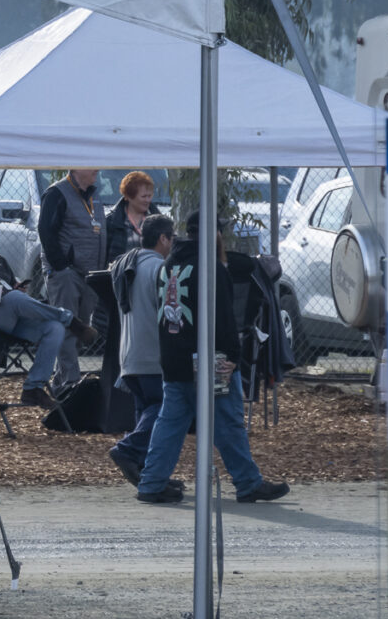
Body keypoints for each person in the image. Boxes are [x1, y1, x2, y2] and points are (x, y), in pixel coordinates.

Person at [133, 212, 291, 505]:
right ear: (214, 235)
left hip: (173, 357)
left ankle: (151, 483)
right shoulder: (211, 268)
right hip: (209, 358)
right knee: (228, 420)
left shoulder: (169, 265)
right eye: (220, 232)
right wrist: (233, 354)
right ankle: (248, 483)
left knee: (170, 422)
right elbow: (223, 317)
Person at [106, 211, 179, 496]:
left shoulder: (127, 263)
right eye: (171, 238)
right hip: (152, 354)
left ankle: (149, 472)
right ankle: (128, 450)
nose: (173, 244)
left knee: (145, 412)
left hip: (129, 355)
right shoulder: (161, 269)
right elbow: (170, 315)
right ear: (162, 238)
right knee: (162, 410)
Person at [0, 212, 72, 406]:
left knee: (54, 328)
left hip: (11, 319)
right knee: (17, 298)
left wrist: (16, 287)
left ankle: (33, 387)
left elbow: (10, 285)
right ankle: (68, 317)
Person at [38, 167, 108, 384]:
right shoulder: (57, 193)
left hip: (90, 273)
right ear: (77, 168)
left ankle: (61, 383)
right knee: (67, 328)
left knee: (81, 330)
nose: (97, 169)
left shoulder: (94, 195)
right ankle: (71, 382)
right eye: (91, 165)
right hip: (66, 274)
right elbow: (46, 231)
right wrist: (61, 266)